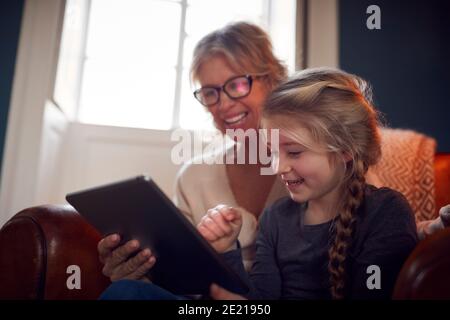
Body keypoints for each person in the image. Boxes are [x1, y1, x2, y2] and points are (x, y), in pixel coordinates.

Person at [97, 21, 447, 292]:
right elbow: (182, 272)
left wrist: (429, 230)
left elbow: (370, 219)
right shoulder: (194, 176)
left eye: (236, 84)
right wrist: (136, 268)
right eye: (209, 92)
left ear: (273, 80)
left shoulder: (326, 164)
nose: (223, 104)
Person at [197, 67, 419, 299]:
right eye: (272, 152)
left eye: (293, 152)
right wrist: (228, 251)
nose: (277, 167)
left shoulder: (385, 213)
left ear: (345, 149)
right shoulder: (275, 218)